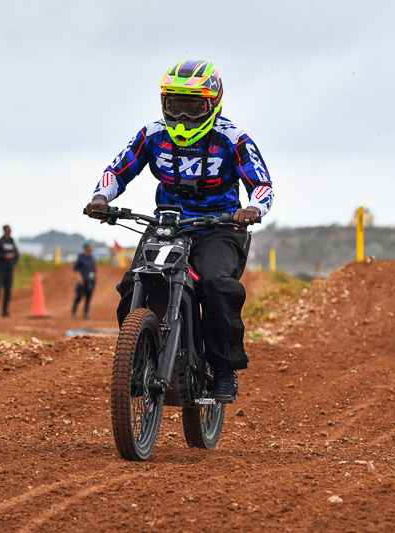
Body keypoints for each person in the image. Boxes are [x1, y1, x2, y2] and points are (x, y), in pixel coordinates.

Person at [84, 60, 274, 403]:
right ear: (163, 103)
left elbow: (262, 184)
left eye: (193, 106)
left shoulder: (233, 139)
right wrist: (101, 197)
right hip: (168, 224)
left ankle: (224, 369)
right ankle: (136, 357)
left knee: (217, 285)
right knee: (132, 283)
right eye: (176, 105)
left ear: (212, 103)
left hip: (220, 226)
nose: (183, 117)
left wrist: (253, 210)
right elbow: (118, 169)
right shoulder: (152, 134)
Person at [0, 225, 19, 317]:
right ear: (4, 230)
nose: (8, 231)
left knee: (8, 291)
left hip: (9, 270)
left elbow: (17, 255)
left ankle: (4, 311)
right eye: (7, 230)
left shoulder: (12, 242)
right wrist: (4, 256)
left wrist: (13, 264)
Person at [72, 242, 97, 319]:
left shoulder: (92, 257)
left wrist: (95, 278)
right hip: (82, 281)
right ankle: (73, 312)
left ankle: (86, 314)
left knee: (88, 297)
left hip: (90, 281)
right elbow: (75, 269)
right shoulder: (81, 257)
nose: (91, 248)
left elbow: (94, 269)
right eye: (90, 247)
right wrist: (79, 278)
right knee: (79, 296)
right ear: (86, 248)